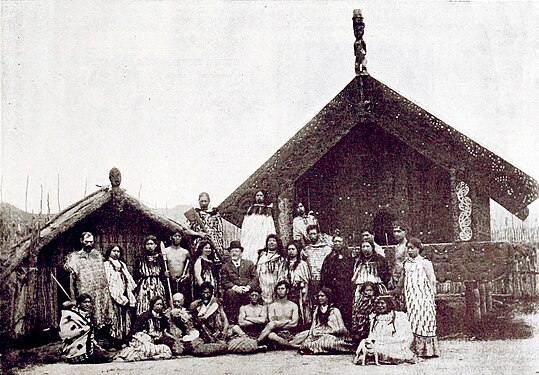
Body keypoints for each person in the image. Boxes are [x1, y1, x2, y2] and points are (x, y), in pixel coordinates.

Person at [399, 237, 439, 358]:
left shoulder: (425, 263)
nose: (410, 251)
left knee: (425, 320)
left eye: (412, 248)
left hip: (424, 297)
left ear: (418, 248)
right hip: (411, 296)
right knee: (413, 320)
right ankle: (415, 349)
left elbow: (432, 281)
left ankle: (427, 350)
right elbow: (403, 279)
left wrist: (432, 297)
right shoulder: (406, 264)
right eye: (408, 248)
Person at [64, 232, 113, 329]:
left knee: (100, 315)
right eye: (86, 242)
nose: (89, 244)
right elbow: (71, 279)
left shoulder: (97, 255)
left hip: (100, 292)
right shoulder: (74, 257)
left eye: (91, 242)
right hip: (84, 292)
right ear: (81, 241)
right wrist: (73, 297)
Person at [362, 295, 417, 364]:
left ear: (388, 304)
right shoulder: (375, 318)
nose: (380, 306)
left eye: (382, 303)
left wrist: (387, 340)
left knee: (386, 350)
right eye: (378, 304)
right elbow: (372, 335)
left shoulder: (398, 317)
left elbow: (403, 336)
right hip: (379, 343)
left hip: (394, 343)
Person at [59, 293, 112, 364]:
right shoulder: (73, 314)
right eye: (84, 302)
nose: (87, 304)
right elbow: (64, 306)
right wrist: (86, 329)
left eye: (89, 302)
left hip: (86, 344)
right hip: (74, 346)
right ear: (80, 303)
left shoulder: (87, 314)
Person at [298, 287, 353, 355]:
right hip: (320, 334)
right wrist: (313, 333)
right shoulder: (317, 310)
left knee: (327, 341)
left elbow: (341, 328)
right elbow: (314, 324)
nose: (320, 298)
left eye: (322, 296)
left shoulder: (334, 310)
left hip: (334, 335)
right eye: (319, 296)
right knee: (307, 343)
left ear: (328, 297)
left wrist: (327, 331)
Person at [118, 295, 174, 360]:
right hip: (145, 340)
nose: (159, 306)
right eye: (157, 304)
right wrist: (127, 341)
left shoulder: (163, 318)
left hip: (158, 340)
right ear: (153, 305)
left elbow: (165, 331)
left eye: (161, 304)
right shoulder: (144, 316)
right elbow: (134, 329)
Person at [103, 244, 137, 345]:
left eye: (118, 251)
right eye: (114, 251)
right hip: (112, 295)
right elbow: (107, 281)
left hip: (124, 294)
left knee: (124, 317)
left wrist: (128, 293)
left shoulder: (122, 264)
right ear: (109, 252)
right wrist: (115, 295)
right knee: (114, 318)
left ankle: (123, 339)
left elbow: (128, 279)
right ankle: (113, 341)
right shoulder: (106, 265)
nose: (116, 253)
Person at [319, 234, 355, 329]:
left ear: (343, 243)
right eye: (335, 241)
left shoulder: (349, 257)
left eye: (339, 241)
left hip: (345, 288)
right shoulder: (329, 257)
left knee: (346, 309)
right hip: (332, 289)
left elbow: (352, 271)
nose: (337, 243)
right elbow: (324, 273)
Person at [220, 240, 259, 324]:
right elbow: (224, 281)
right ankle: (234, 319)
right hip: (234, 292)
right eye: (232, 251)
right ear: (229, 253)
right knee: (230, 292)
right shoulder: (225, 266)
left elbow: (255, 278)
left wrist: (248, 287)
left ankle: (252, 320)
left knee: (255, 293)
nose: (234, 253)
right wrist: (236, 287)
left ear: (241, 253)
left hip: (247, 290)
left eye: (237, 251)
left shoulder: (249, 264)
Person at [184, 192, 228, 262]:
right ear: (198, 201)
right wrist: (199, 234)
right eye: (201, 201)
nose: (203, 203)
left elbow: (220, 232)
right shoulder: (194, 214)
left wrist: (219, 247)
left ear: (209, 201)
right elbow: (186, 230)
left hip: (214, 244)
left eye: (205, 201)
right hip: (198, 245)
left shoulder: (215, 215)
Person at [189, 282, 229, 356]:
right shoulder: (195, 305)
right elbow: (191, 323)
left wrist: (224, 330)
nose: (205, 295)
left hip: (216, 331)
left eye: (208, 293)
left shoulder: (217, 302)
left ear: (211, 293)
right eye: (203, 293)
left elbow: (224, 318)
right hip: (202, 332)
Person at [257, 280, 299, 349]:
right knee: (271, 335)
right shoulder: (272, 306)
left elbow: (294, 323)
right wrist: (287, 321)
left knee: (307, 333)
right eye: (278, 289)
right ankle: (292, 346)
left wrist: (277, 324)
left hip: (291, 335)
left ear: (287, 291)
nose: (280, 291)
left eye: (282, 289)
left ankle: (286, 344)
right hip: (277, 334)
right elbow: (272, 323)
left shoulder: (293, 306)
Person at [240, 190, 276, 262]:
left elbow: (270, 225)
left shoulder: (267, 210)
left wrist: (270, 237)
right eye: (257, 195)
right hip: (251, 237)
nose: (259, 197)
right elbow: (245, 224)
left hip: (262, 236)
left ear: (264, 197)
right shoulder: (250, 209)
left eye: (261, 195)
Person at [135, 235, 167, 316]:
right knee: (144, 303)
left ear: (155, 245)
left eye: (152, 244)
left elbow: (163, 272)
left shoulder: (160, 258)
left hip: (157, 284)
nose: (150, 246)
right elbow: (136, 274)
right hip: (144, 285)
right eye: (147, 244)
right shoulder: (140, 258)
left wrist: (165, 274)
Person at [256, 234, 289, 305]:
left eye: (274, 241)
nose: (271, 242)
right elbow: (257, 272)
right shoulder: (262, 257)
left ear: (277, 243)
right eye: (269, 241)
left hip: (275, 286)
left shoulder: (281, 258)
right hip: (263, 286)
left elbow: (283, 274)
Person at [286, 240, 312, 329]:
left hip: (299, 291)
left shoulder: (302, 264)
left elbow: (306, 281)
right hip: (288, 291)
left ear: (297, 251)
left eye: (293, 249)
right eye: (289, 249)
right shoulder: (284, 264)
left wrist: (305, 295)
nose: (291, 251)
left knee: (300, 309)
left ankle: (301, 327)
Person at [162, 232, 192, 305]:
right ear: (171, 237)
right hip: (170, 281)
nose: (177, 238)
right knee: (170, 301)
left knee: (183, 301)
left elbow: (189, 266)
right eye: (175, 236)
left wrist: (187, 274)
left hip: (182, 281)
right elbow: (162, 266)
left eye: (179, 236)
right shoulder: (165, 251)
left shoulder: (185, 252)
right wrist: (164, 273)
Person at [303, 225, 332, 292]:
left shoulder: (327, 249)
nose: (312, 236)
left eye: (314, 234)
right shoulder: (306, 250)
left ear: (318, 234)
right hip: (312, 280)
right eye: (310, 234)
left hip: (324, 279)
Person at [390, 222, 409, 288]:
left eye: (399, 231)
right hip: (396, 276)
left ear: (405, 232)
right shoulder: (397, 246)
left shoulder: (408, 246)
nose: (396, 234)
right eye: (394, 232)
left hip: (405, 276)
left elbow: (407, 263)